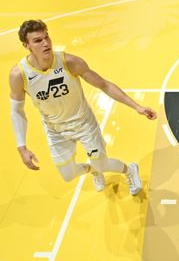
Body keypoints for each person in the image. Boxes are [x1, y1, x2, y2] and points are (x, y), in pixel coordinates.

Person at [8, 20, 157, 194]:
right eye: (38, 40)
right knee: (68, 175)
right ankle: (94, 170)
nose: (46, 43)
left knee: (102, 162)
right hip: (55, 130)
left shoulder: (69, 62)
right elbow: (17, 111)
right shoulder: (19, 75)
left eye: (46, 37)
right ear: (26, 45)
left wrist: (137, 107)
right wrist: (22, 147)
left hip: (84, 124)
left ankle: (130, 170)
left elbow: (104, 85)